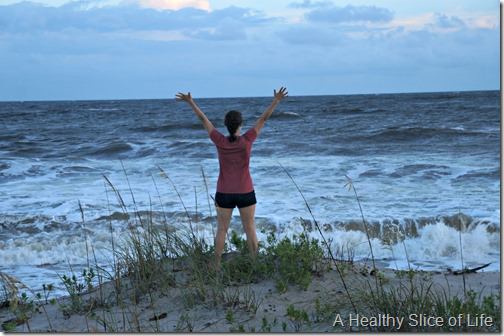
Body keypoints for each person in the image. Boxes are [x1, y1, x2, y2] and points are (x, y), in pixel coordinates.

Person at [175, 87, 288, 269]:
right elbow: (263, 119)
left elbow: (203, 120)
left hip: (224, 193)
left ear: (226, 125)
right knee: (250, 228)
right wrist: (276, 100)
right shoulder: (247, 140)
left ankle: (217, 265)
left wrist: (191, 102)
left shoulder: (219, 141)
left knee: (222, 229)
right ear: (240, 124)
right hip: (245, 191)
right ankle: (254, 264)